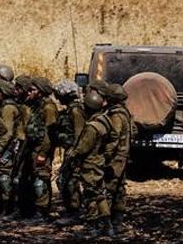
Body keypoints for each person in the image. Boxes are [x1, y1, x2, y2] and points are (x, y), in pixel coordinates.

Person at [55, 85, 110, 234]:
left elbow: (83, 145)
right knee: (99, 193)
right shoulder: (104, 121)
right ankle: (106, 224)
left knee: (90, 194)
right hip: (98, 161)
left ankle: (93, 225)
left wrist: (73, 154)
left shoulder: (92, 126)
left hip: (90, 163)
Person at [23, 76, 60, 222]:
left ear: (41, 91)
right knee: (35, 178)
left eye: (33, 90)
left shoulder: (48, 108)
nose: (29, 92)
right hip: (34, 148)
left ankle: (42, 212)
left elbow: (49, 133)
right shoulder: (37, 105)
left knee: (41, 180)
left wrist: (43, 153)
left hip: (42, 149)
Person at [102, 83, 134, 235]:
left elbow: (113, 138)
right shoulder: (125, 113)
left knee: (108, 189)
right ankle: (118, 223)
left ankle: (105, 225)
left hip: (115, 158)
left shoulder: (115, 115)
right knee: (119, 189)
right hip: (123, 156)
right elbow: (134, 131)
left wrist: (105, 156)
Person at [0, 78, 24, 217]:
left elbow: (7, 133)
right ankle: (0, 209)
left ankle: (7, 209)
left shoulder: (8, 108)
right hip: (1, 147)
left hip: (7, 149)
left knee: (4, 179)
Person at [53, 79, 86, 218]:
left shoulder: (76, 111)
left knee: (70, 181)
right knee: (63, 180)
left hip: (74, 152)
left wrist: (75, 151)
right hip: (70, 150)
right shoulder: (70, 110)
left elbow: (79, 133)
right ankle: (72, 210)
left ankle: (74, 212)